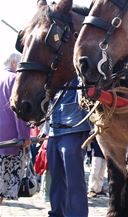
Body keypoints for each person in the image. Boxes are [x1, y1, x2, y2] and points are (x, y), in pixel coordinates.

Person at [46, 77, 91, 217]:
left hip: (73, 130)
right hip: (54, 131)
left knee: (74, 181)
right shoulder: (54, 78)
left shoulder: (78, 77)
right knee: (56, 179)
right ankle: (56, 213)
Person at [0, 53, 31, 204]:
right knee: (2, 186)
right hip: (9, 139)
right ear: (13, 62)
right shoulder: (14, 80)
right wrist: (24, 136)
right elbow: (18, 111)